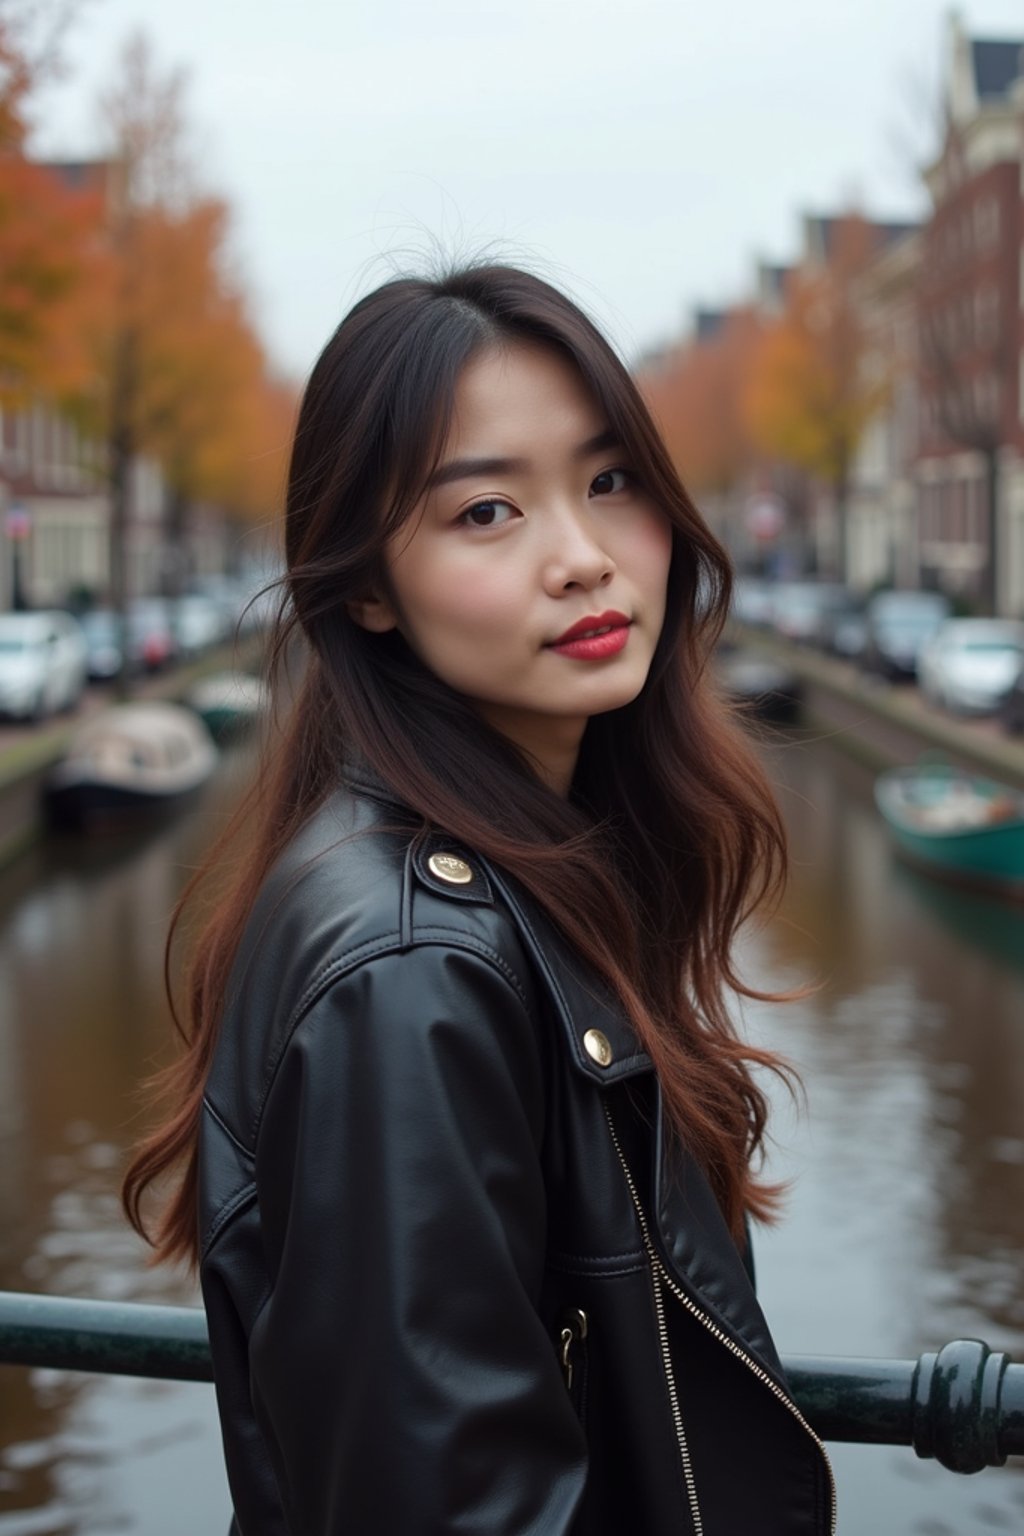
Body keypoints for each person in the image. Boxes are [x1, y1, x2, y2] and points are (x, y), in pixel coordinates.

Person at [123, 262, 835, 1535]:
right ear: (364, 586)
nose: (584, 558)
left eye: (611, 481)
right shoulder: (411, 970)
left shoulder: (528, 870)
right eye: (489, 512)